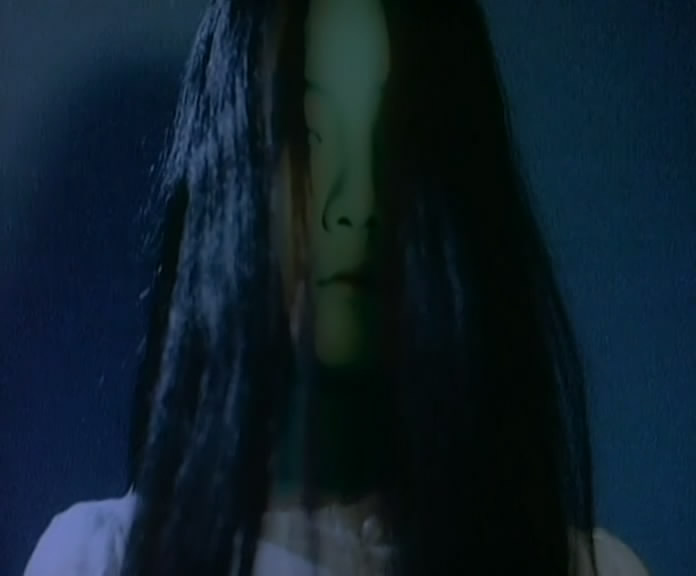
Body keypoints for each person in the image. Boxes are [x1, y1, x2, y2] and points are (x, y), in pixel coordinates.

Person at [23, 0, 652, 574]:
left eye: (393, 138)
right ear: (232, 178)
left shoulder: (592, 568)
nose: (351, 204)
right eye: (307, 136)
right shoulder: (102, 560)